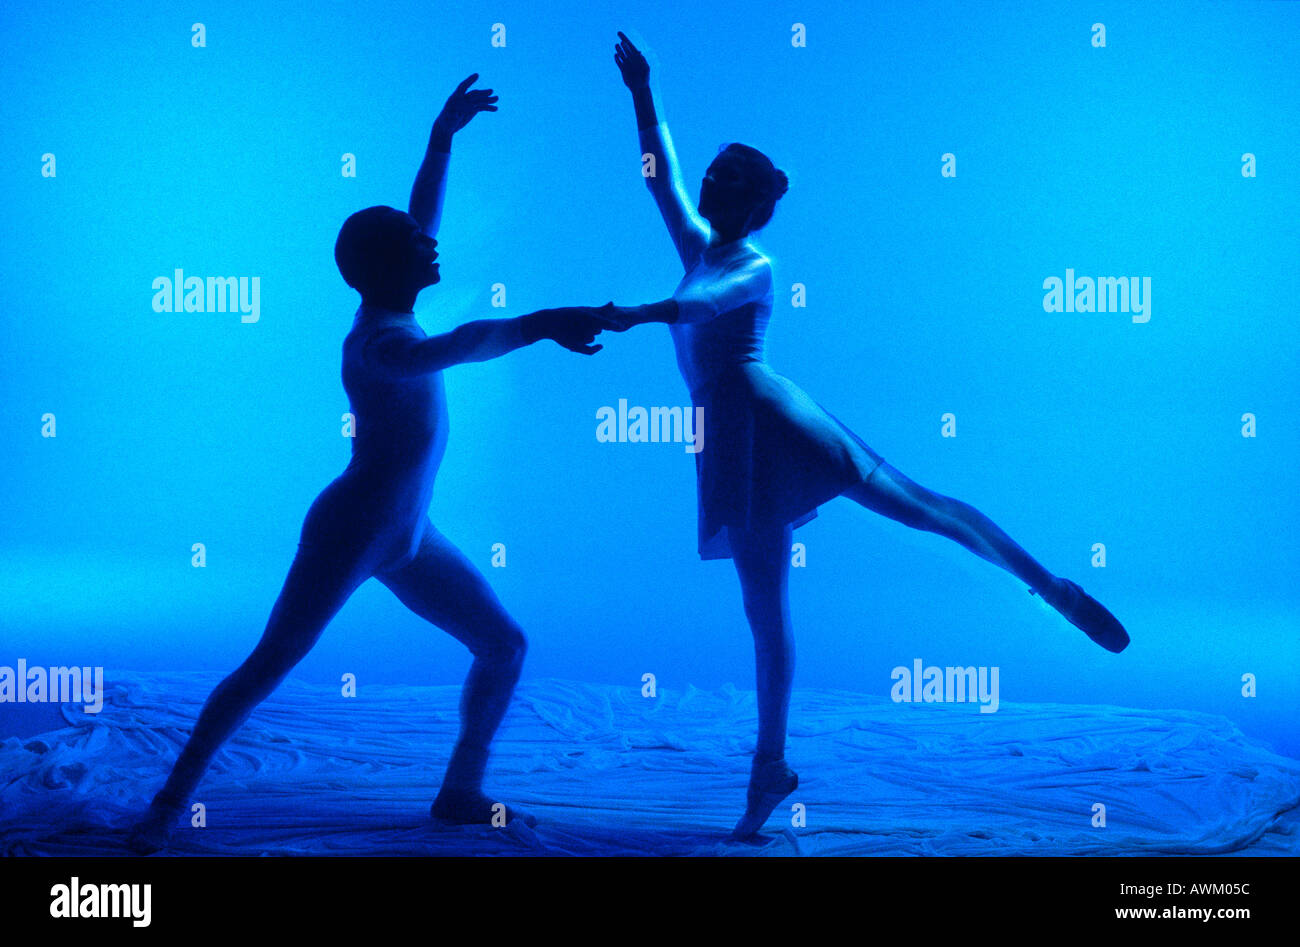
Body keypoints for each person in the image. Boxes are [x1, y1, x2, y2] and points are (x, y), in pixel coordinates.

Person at [578, 32, 1131, 840]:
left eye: (726, 178)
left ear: (754, 202)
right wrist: (642, 94)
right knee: (764, 610)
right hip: (727, 438)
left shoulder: (752, 264)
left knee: (924, 507)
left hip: (777, 419)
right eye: (713, 172)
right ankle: (770, 764)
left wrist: (631, 313)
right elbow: (660, 180)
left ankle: (1051, 586)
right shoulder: (700, 247)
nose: (709, 181)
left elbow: (700, 310)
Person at [128, 75, 610, 853]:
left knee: (504, 645)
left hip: (408, 531)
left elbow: (420, 218)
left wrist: (442, 139)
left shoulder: (393, 300)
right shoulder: (383, 343)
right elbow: (464, 344)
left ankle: (461, 791)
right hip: (353, 527)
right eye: (417, 244)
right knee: (269, 663)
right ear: (389, 265)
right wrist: (545, 321)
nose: (433, 242)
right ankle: (166, 802)